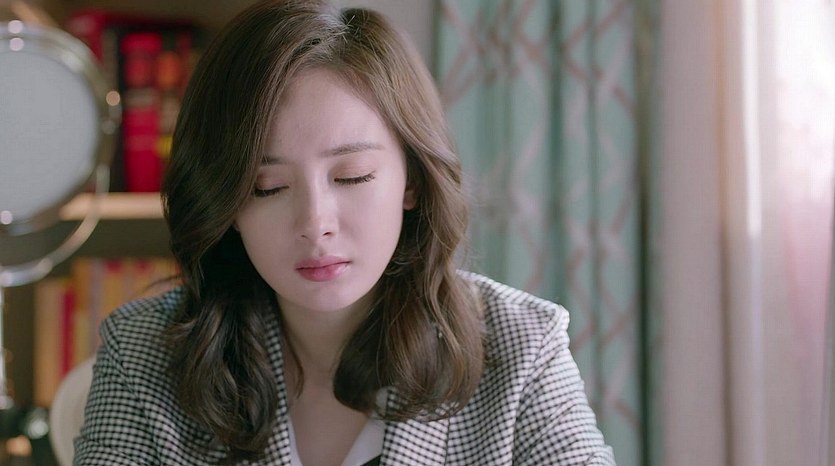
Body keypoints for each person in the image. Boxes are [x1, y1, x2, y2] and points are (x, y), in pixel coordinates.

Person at [74, 0, 615, 464]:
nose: (316, 225)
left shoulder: (522, 349)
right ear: (226, 203)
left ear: (412, 181)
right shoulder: (143, 355)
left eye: (352, 176)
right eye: (267, 187)